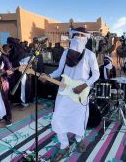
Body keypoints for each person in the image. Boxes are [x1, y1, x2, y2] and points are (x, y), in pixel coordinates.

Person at [41, 27, 99, 161]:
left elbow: (96, 74)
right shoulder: (65, 53)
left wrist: (84, 85)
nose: (78, 37)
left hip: (81, 92)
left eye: (81, 35)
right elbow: (59, 71)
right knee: (58, 117)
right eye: (76, 35)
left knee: (79, 118)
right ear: (72, 37)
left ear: (85, 38)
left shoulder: (90, 54)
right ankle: (64, 144)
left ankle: (79, 139)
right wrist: (48, 76)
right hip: (64, 92)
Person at [7, 37, 33, 110]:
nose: (9, 46)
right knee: (16, 86)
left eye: (9, 44)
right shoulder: (13, 51)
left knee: (23, 87)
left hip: (22, 72)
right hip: (15, 72)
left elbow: (23, 62)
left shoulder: (21, 51)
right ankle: (19, 101)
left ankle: (25, 103)